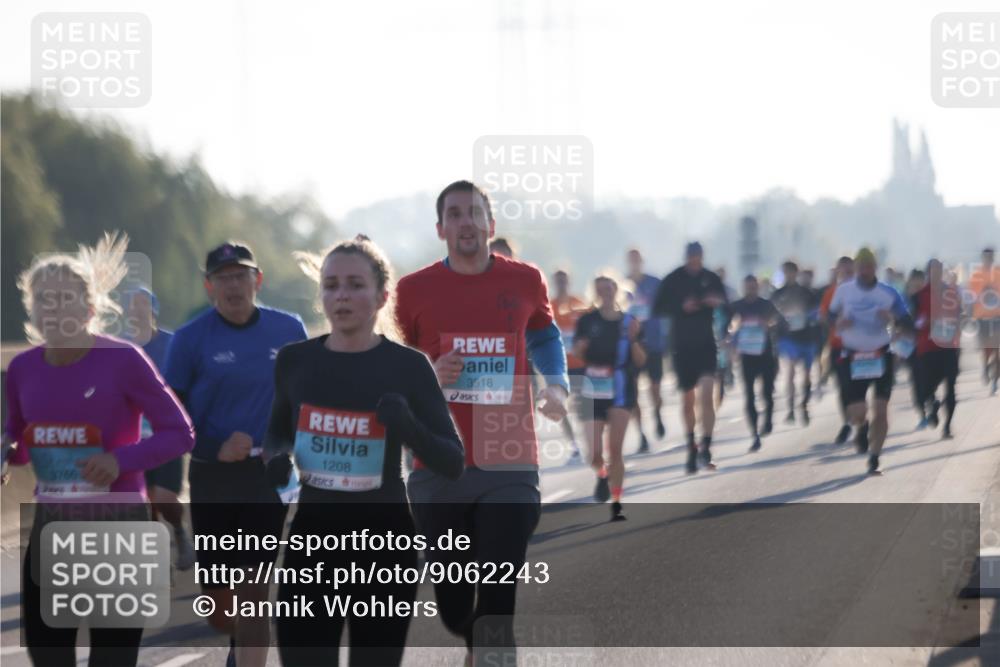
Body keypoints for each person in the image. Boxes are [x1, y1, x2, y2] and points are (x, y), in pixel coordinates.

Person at [263, 236, 464, 666]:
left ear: (381, 296)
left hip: (385, 544)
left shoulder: (407, 366)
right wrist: (276, 459)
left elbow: (452, 460)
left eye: (355, 284)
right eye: (331, 284)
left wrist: (409, 426)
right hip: (312, 541)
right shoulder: (295, 361)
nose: (341, 295)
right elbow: (278, 432)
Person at [395, 181, 569, 663]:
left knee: (496, 601)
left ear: (490, 224)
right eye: (454, 214)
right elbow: (390, 365)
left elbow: (545, 336)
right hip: (437, 465)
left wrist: (555, 385)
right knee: (455, 611)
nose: (465, 222)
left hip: (508, 461)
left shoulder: (525, 280)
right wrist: (428, 373)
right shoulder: (411, 291)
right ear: (440, 228)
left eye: (474, 212)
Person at [4, 233, 194, 667]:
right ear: (31, 309)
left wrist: (119, 460)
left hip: (118, 523)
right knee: (48, 653)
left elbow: (180, 432)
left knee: (112, 656)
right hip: (53, 523)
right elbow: (18, 441)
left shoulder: (123, 360)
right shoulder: (22, 369)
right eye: (42, 299)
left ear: (89, 309)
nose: (52, 308)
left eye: (64, 299)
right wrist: (5, 453)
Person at [163, 241, 308, 667]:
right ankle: (235, 645)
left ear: (257, 279)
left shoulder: (288, 330)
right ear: (209, 287)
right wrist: (213, 446)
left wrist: (286, 447)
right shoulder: (190, 340)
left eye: (240, 275)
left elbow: (304, 401)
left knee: (254, 590)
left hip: (267, 478)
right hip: (212, 479)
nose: (233, 285)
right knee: (223, 607)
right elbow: (171, 414)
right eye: (223, 278)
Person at [123, 286, 196, 571]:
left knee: (164, 498)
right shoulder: (123, 347)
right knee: (145, 504)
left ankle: (179, 531)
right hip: (134, 438)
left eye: (143, 304)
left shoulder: (172, 343)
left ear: (153, 310)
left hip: (166, 434)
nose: (138, 310)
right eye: (133, 305)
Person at [828, 247, 913, 475]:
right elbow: (829, 316)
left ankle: (874, 457)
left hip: (880, 353)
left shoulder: (888, 292)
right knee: (857, 412)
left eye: (868, 266)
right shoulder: (844, 291)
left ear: (875, 267)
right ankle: (862, 427)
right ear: (855, 268)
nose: (864, 271)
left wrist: (893, 319)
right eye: (860, 267)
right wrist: (838, 324)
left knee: (881, 409)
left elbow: (907, 321)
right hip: (852, 354)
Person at [573, 274, 646, 521]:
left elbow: (640, 360)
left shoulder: (629, 322)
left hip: (621, 387)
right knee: (593, 453)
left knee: (615, 450)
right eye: (600, 288)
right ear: (595, 292)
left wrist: (634, 339)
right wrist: (580, 349)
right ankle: (602, 474)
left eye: (609, 287)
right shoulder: (587, 320)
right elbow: (577, 352)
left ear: (617, 290)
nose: (605, 292)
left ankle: (616, 502)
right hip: (593, 387)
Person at [652, 242, 727, 473]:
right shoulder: (673, 279)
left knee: (707, 394)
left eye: (698, 256)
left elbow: (727, 304)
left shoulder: (711, 278)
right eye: (691, 257)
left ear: (702, 257)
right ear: (686, 257)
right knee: (688, 401)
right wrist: (681, 306)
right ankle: (691, 444)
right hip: (682, 346)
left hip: (706, 343)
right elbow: (657, 308)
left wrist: (716, 303)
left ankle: (706, 444)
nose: (694, 260)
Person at [728, 275, 784, 451]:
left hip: (766, 355)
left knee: (767, 392)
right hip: (747, 357)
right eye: (748, 287)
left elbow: (782, 322)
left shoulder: (765, 304)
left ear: (758, 287)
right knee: (749, 396)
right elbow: (725, 325)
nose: (751, 290)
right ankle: (755, 434)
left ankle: (767, 418)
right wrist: (730, 337)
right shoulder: (737, 306)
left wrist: (769, 324)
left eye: (754, 287)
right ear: (744, 288)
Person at [914, 259, 962, 439]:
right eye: (933, 271)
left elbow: (958, 315)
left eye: (939, 270)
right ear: (928, 272)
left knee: (951, 387)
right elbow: (912, 321)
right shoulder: (919, 295)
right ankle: (932, 404)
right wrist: (926, 323)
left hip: (949, 347)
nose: (936, 274)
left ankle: (948, 426)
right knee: (926, 389)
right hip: (928, 349)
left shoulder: (950, 292)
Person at [625, 249, 666, 450]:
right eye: (631, 259)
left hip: (654, 342)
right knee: (632, 392)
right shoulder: (622, 285)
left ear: (642, 260)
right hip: (632, 345)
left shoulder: (654, 283)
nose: (634, 262)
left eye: (637, 259)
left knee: (655, 388)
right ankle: (641, 433)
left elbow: (664, 308)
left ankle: (657, 414)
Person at [772, 261, 819, 425]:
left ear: (796, 273)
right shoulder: (778, 294)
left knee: (806, 375)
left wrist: (807, 318)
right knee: (790, 371)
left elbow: (816, 312)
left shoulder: (806, 293)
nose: (788, 275)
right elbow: (773, 315)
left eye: (791, 272)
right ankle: (791, 408)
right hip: (788, 338)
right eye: (786, 272)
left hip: (806, 338)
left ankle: (804, 405)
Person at [819, 257, 856, 444]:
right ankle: (847, 423)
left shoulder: (864, 290)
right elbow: (824, 316)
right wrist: (837, 321)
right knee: (843, 386)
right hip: (838, 345)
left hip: (861, 347)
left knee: (858, 387)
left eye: (851, 271)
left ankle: (860, 420)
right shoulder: (831, 292)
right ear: (838, 272)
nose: (847, 274)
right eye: (844, 271)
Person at [551, 269, 587, 461]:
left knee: (583, 407)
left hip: (581, 365)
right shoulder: (549, 306)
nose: (561, 283)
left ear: (569, 281)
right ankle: (573, 444)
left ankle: (588, 437)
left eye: (564, 280)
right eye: (558, 280)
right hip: (559, 366)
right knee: (560, 406)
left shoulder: (579, 304)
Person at [969, 246, 1000, 395]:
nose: (989, 259)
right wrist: (984, 290)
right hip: (982, 316)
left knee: (997, 349)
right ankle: (986, 366)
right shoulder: (977, 275)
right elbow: (972, 295)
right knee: (986, 348)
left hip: (997, 316)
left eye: (991, 257)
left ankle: (995, 380)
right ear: (983, 258)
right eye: (986, 257)